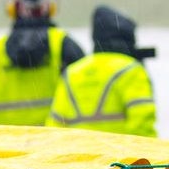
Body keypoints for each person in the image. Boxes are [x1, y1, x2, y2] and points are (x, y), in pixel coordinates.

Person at [0, 0, 86, 126]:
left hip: (7, 143)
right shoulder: (65, 47)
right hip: (52, 142)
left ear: (13, 9)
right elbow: (88, 98)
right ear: (49, 7)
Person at [45, 5, 157, 138]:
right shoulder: (132, 70)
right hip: (120, 156)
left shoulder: (72, 72)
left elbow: (55, 126)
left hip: (81, 156)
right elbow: (142, 125)